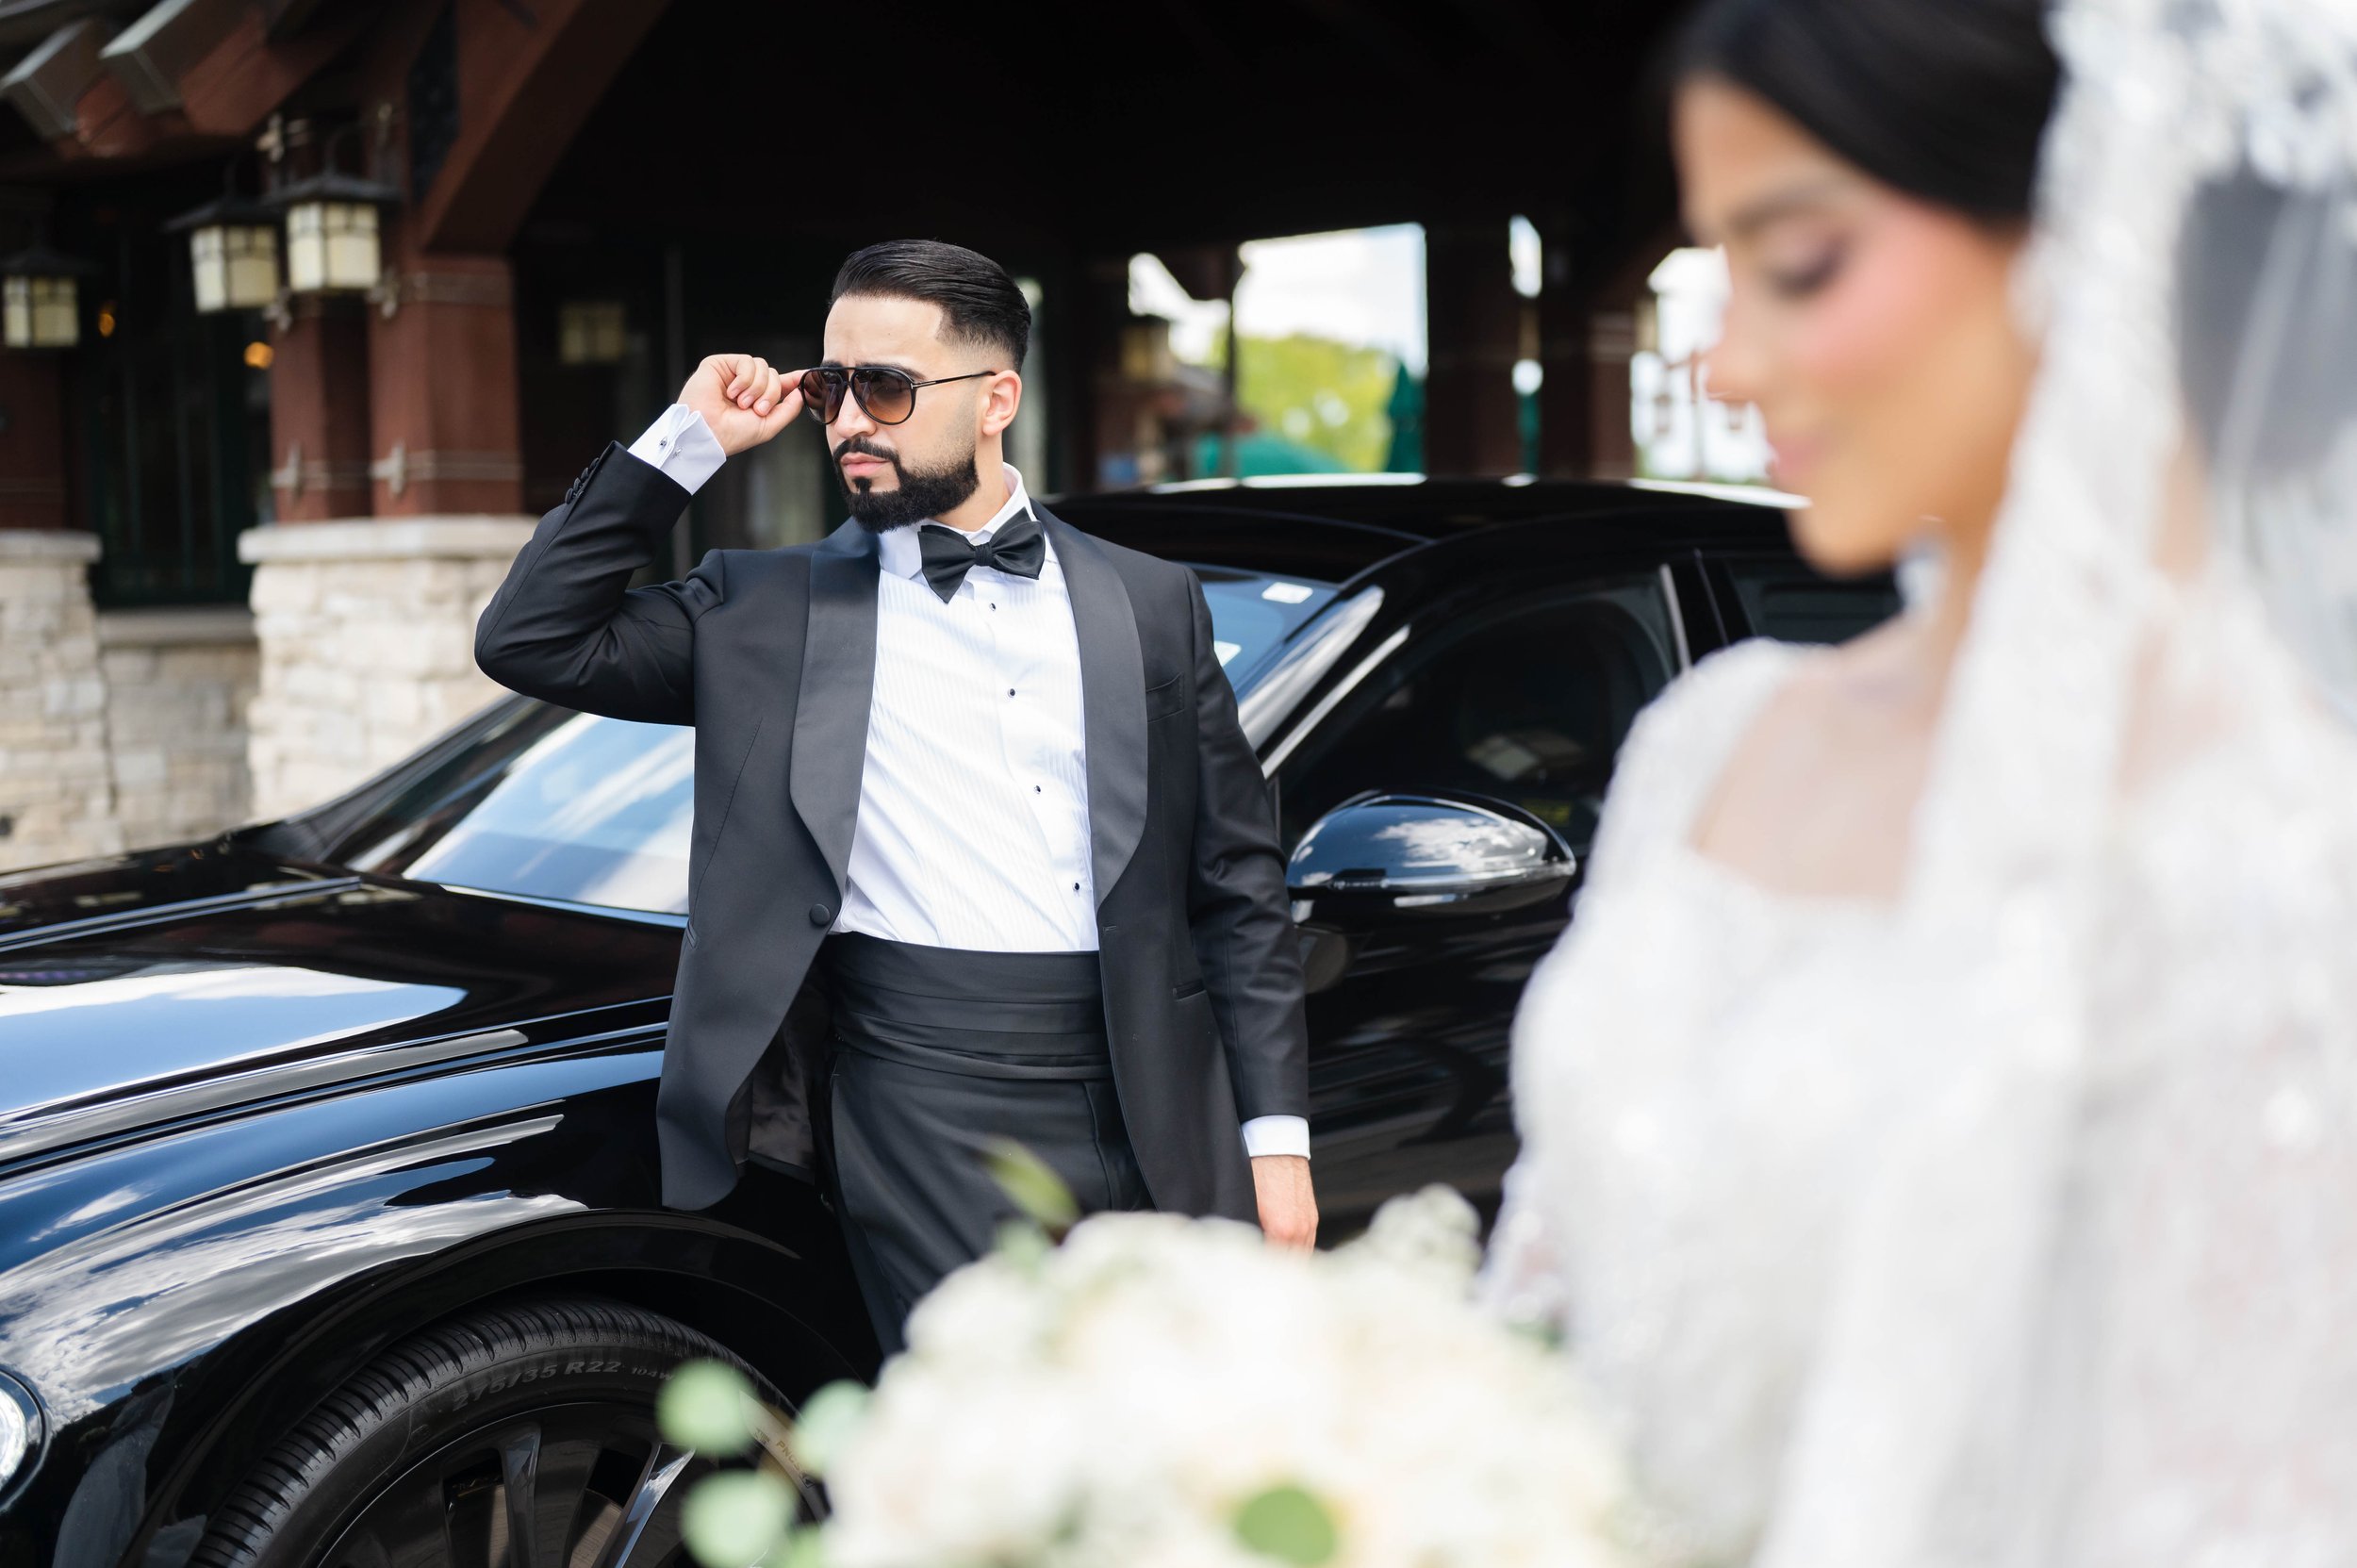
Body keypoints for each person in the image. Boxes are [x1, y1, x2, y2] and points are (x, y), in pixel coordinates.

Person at [1481, 0, 2357, 1560]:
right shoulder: (1713, 738)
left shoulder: (2280, 849)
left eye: (1798, 263)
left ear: (2093, 226)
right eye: (1714, 272)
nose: (1728, 361)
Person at [475, 239, 1316, 1356]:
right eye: (830, 389)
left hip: (1155, 1092)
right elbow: (531, 637)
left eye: (885, 388)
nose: (847, 423)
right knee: (999, 1452)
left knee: (1175, 1453)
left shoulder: (1150, 603)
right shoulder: (764, 610)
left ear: (995, 399)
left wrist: (1278, 1139)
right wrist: (685, 444)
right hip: (920, 1093)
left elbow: (1236, 885)